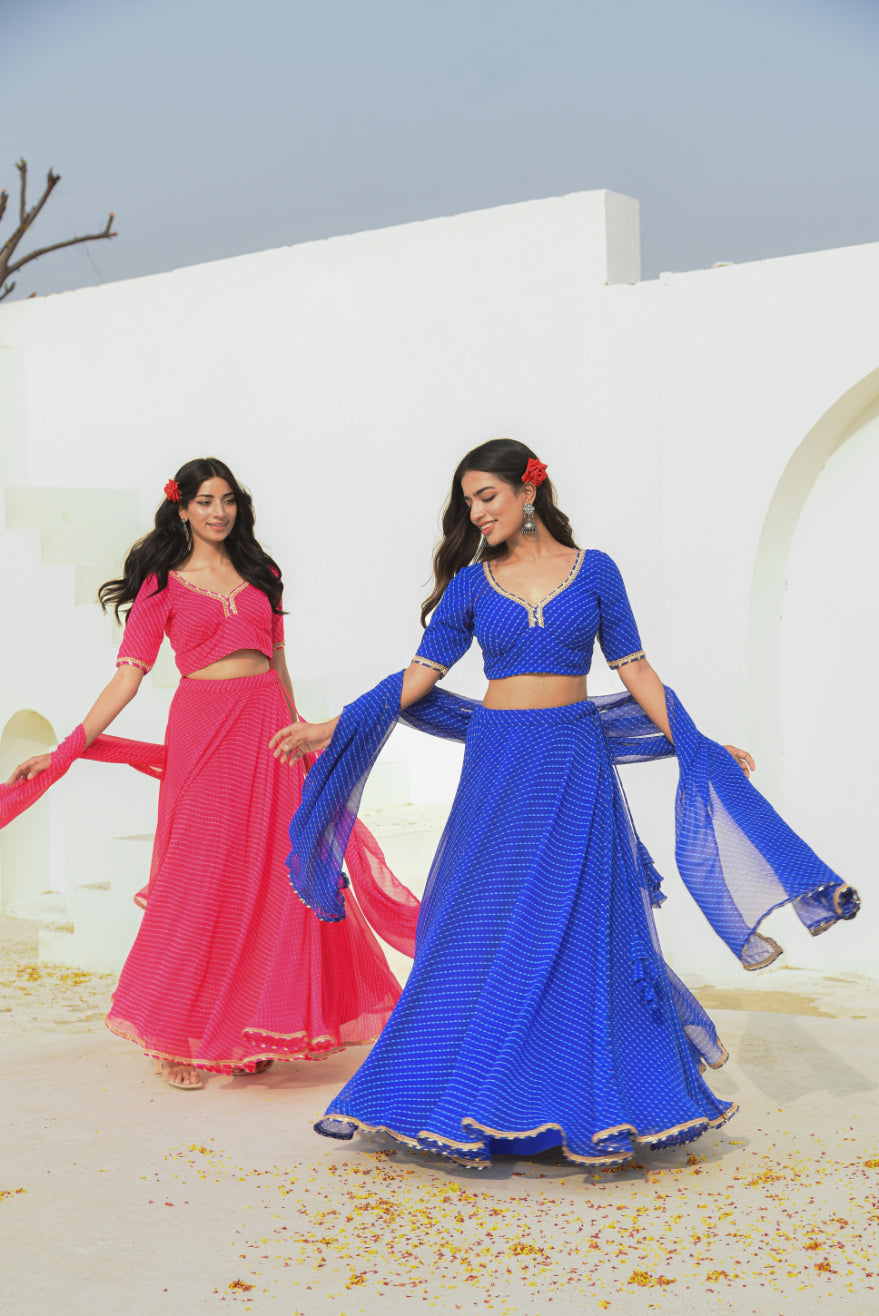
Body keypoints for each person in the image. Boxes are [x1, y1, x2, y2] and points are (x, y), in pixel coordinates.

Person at [271, 438, 859, 1167]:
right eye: (467, 502)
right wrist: (331, 728)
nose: (476, 512)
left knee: (583, 923)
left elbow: (635, 668)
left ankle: (577, 1098)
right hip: (499, 765)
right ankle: (450, 1094)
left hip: (573, 762)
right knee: (474, 916)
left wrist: (694, 740)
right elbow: (418, 675)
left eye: (486, 496)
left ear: (528, 490)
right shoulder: (470, 584)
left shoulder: (596, 572)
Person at [3, 458, 417, 1089]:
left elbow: (278, 660)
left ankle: (250, 1029)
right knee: (199, 878)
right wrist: (67, 747)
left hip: (270, 733)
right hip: (203, 733)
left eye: (226, 499)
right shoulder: (163, 586)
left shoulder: (262, 574)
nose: (218, 511)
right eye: (204, 501)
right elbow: (128, 675)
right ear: (182, 509)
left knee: (276, 878)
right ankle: (174, 1035)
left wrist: (304, 733)